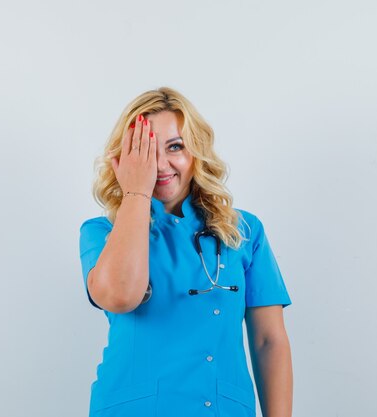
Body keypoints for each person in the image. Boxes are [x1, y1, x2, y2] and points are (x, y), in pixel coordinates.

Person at [79, 86, 293, 417]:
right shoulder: (102, 232)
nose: (160, 165)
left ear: (196, 152)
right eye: (146, 152)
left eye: (175, 147)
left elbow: (269, 341)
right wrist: (136, 192)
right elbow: (120, 296)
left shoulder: (244, 232)